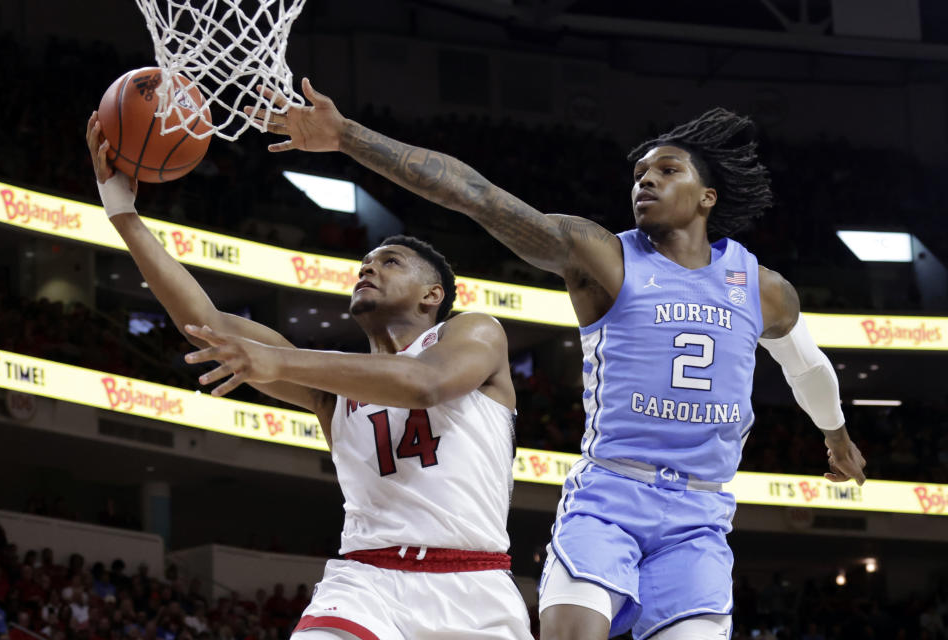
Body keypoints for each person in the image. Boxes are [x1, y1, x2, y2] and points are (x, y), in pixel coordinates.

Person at [247, 80, 867, 640]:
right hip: (611, 494)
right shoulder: (602, 257)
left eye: (666, 171)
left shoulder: (761, 286)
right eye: (639, 174)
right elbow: (476, 197)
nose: (644, 182)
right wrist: (347, 137)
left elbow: (806, 365)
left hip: (701, 512)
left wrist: (835, 433)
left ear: (707, 196)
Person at [85, 112, 532, 640]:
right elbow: (203, 325)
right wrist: (122, 211)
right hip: (367, 580)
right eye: (365, 262)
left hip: (473, 587)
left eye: (389, 262)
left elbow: (425, 384)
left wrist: (278, 361)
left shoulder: (475, 332)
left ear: (433, 295)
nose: (368, 268)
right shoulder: (333, 387)